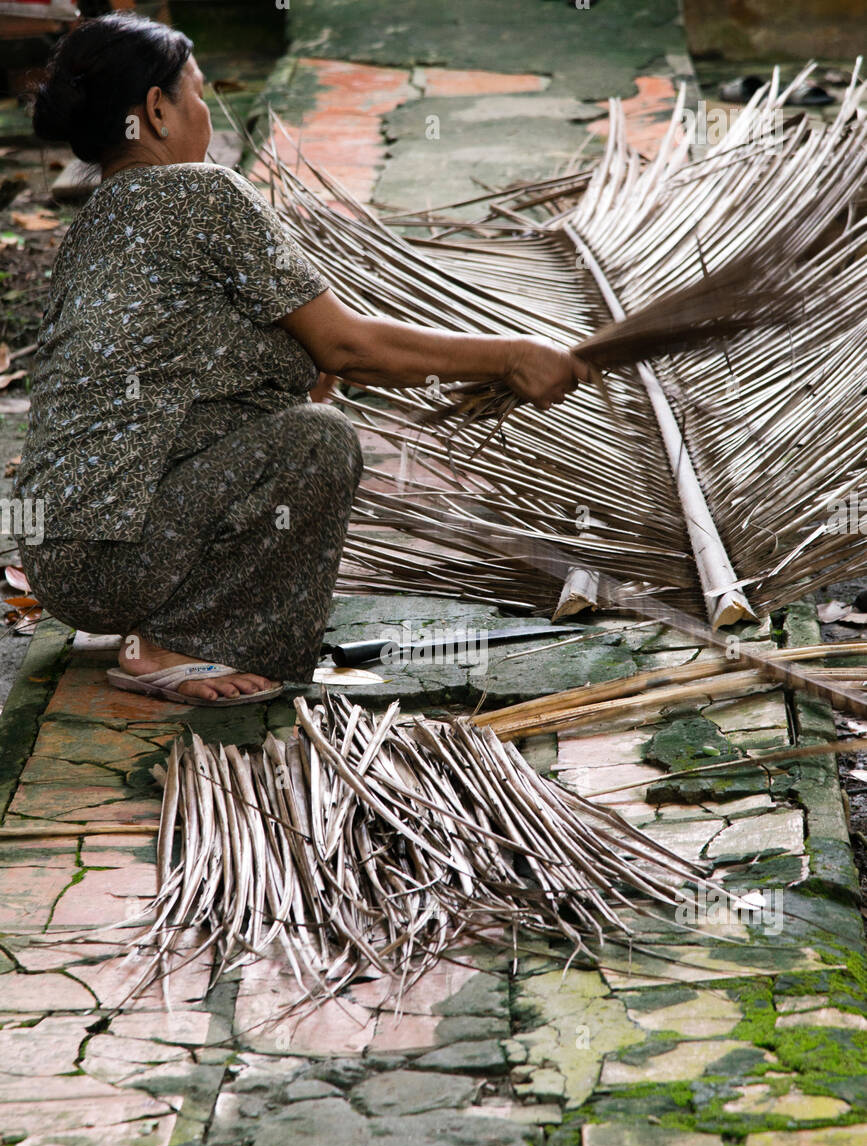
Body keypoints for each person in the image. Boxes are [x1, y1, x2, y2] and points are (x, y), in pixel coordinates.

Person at [16, 12, 588, 706]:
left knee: (296, 395)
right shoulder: (201, 193)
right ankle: (180, 643)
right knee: (317, 440)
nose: (209, 114)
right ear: (157, 111)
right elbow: (348, 346)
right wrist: (509, 356)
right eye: (198, 94)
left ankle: (158, 620)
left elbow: (291, 350)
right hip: (115, 558)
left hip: (63, 559)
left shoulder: (92, 227)